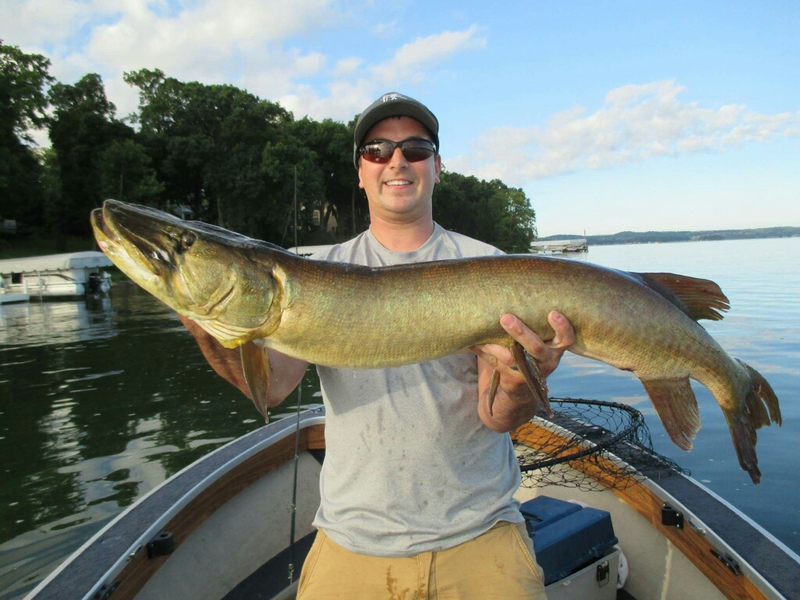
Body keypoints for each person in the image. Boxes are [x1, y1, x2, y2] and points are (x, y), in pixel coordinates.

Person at [181, 92, 575, 599]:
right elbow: (273, 387)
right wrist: (204, 317)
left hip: (479, 534)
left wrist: (524, 380)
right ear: (360, 171)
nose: (397, 161)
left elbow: (497, 416)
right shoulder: (318, 273)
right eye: (377, 150)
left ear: (436, 166)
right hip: (353, 541)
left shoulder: (491, 267)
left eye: (414, 148)